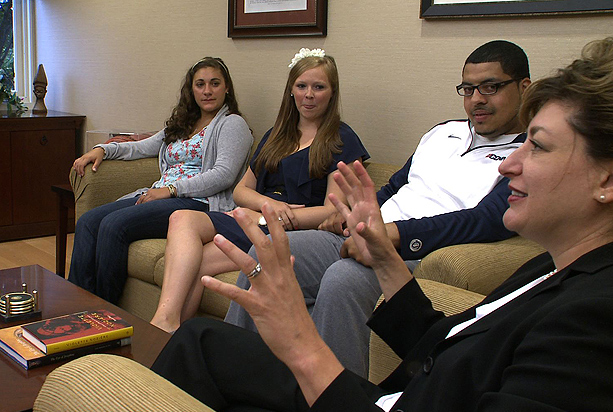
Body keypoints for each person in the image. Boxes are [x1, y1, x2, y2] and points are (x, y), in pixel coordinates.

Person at [152, 34, 613, 412]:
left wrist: (302, 349)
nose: (508, 165)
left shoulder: (598, 316)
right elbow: (441, 346)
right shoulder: (548, 268)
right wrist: (381, 249)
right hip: (381, 266)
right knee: (225, 313)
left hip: (383, 405)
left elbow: (482, 220)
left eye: (539, 147)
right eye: (469, 88)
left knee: (199, 352)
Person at [225, 40, 531, 377]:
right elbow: (394, 186)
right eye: (468, 89)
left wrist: (394, 234)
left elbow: (486, 221)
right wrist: (350, 213)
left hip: (416, 250)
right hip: (369, 231)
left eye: (491, 87)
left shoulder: (526, 154)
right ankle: (239, 373)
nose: (476, 100)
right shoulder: (443, 132)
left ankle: (337, 401)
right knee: (267, 252)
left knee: (343, 279)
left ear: (524, 88)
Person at [149, 48, 369, 332]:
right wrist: (267, 208)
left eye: (319, 87)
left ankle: (168, 336)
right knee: (181, 218)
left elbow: (333, 210)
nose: (309, 95)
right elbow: (241, 190)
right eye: (302, 86)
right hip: (253, 219)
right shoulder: (277, 135)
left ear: (332, 92)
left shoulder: (342, 139)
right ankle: (165, 325)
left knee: (196, 266)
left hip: (292, 232)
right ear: (291, 90)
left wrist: (271, 217)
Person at [68, 57, 253, 303]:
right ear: (191, 89)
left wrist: (171, 190)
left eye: (214, 83)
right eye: (200, 84)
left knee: (114, 226)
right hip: (159, 195)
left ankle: (105, 314)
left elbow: (223, 175)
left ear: (226, 88)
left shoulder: (232, 125)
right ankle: (75, 306)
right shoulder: (183, 124)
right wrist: (103, 150)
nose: (207, 91)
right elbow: (141, 147)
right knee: (89, 223)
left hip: (198, 203)